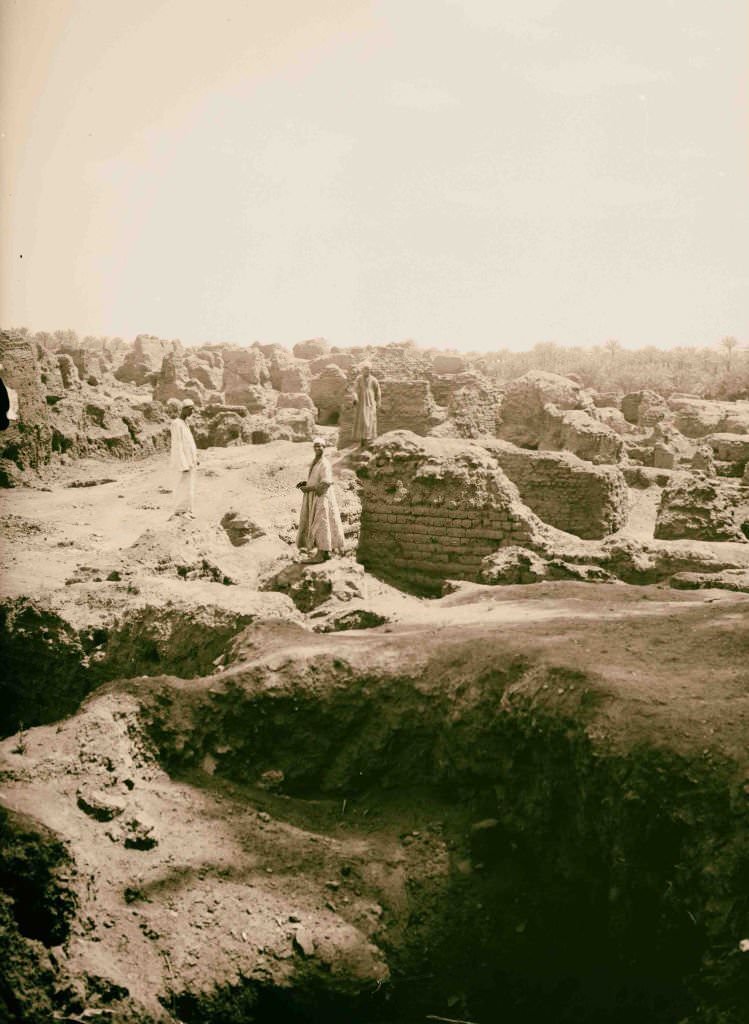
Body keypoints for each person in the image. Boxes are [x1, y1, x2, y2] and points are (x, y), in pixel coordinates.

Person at [296, 437, 345, 562]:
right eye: (316, 446)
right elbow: (317, 479)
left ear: (325, 448)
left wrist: (308, 489)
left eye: (321, 446)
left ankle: (320, 555)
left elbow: (325, 483)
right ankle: (325, 553)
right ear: (314, 448)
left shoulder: (324, 463)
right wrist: (305, 483)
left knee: (321, 524)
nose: (319, 448)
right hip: (316, 495)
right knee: (319, 523)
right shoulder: (316, 462)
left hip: (322, 496)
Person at [168, 398, 198, 518]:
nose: (193, 411)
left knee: (189, 486)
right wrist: (183, 463)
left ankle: (187, 510)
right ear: (184, 410)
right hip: (183, 463)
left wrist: (195, 457)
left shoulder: (185, 423)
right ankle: (179, 511)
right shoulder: (176, 424)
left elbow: (189, 443)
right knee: (181, 486)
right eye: (191, 409)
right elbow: (177, 445)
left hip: (190, 461)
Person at [351, 362, 381, 448]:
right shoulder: (359, 379)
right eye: (365, 369)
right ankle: (362, 440)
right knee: (362, 420)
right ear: (362, 370)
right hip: (361, 403)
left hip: (370, 403)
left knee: (370, 420)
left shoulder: (374, 380)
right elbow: (355, 390)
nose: (366, 371)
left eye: (368, 369)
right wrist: (355, 398)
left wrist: (378, 402)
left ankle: (369, 439)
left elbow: (378, 392)